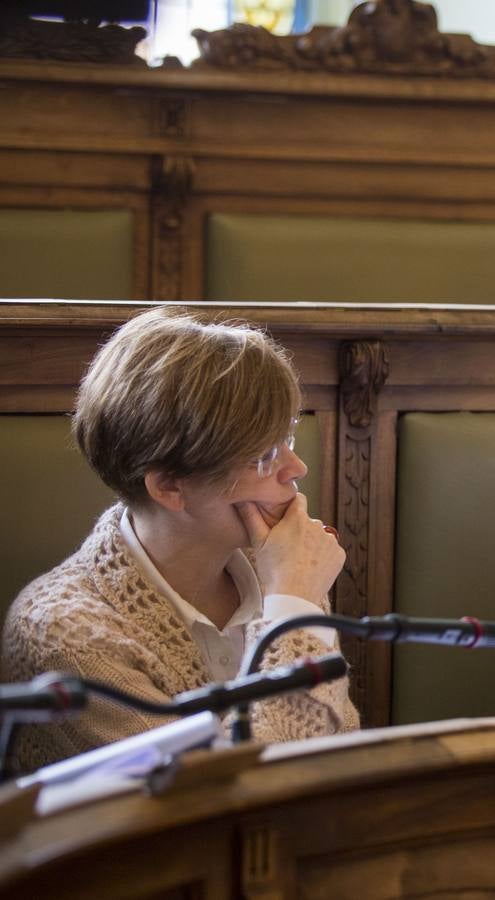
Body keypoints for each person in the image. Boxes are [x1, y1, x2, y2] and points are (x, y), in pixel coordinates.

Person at [3, 308, 359, 774]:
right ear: (169, 486)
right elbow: (230, 799)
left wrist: (293, 598)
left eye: (287, 436)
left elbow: (340, 754)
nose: (296, 469)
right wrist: (292, 606)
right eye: (263, 455)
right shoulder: (60, 634)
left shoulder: (279, 564)